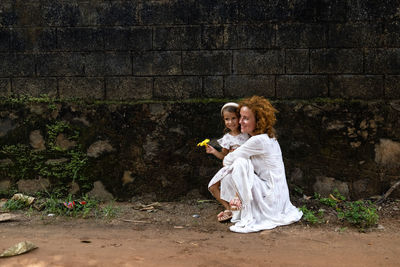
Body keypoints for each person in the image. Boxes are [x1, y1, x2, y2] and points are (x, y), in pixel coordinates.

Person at [208, 96, 303, 233]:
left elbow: (227, 160)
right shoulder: (265, 137)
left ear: (258, 121)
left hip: (271, 197)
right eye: (240, 117)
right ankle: (236, 210)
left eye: (246, 118)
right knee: (237, 167)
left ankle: (240, 209)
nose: (240, 122)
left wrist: (236, 156)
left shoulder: (258, 140)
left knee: (240, 162)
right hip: (276, 195)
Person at [205, 102, 249, 222]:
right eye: (227, 119)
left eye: (233, 118)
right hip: (228, 167)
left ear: (239, 118)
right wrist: (214, 151)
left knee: (235, 185)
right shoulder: (227, 138)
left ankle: (240, 211)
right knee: (213, 186)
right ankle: (228, 208)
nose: (230, 122)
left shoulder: (247, 135)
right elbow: (224, 156)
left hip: (243, 168)